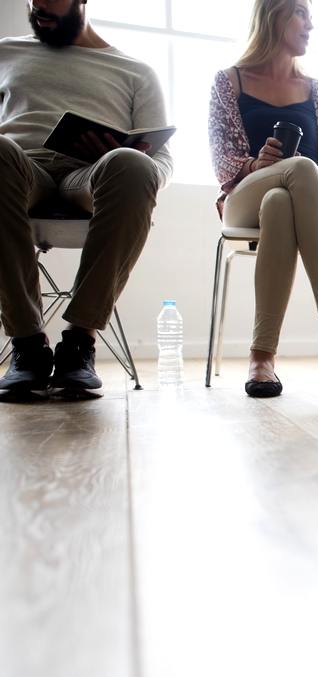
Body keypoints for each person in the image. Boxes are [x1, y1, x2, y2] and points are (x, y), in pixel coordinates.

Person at [0, 0, 173, 401]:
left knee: (133, 164)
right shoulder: (6, 52)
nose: (38, 5)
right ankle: (27, 345)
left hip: (90, 179)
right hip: (21, 172)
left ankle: (79, 342)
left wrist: (126, 156)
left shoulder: (136, 72)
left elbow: (162, 161)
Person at [209, 0, 318, 398]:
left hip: (306, 204)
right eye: (301, 12)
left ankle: (261, 357)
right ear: (272, 14)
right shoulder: (229, 82)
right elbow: (222, 159)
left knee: (280, 203)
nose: (310, 24)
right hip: (244, 199)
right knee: (300, 168)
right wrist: (254, 164)